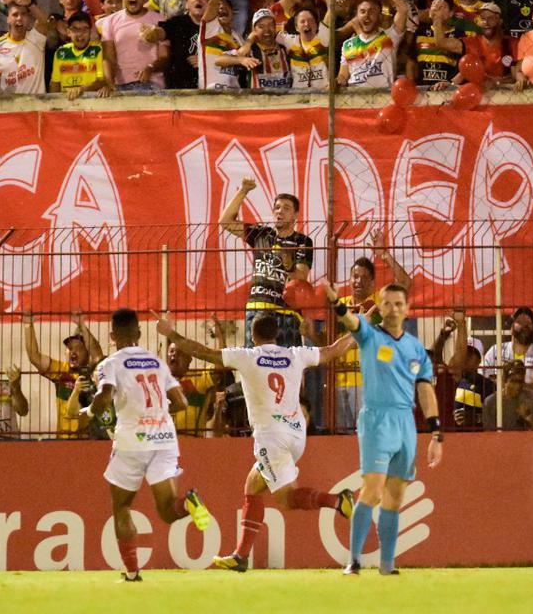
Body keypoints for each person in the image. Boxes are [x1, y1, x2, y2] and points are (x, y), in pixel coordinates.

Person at [156, 311, 355, 572]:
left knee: (286, 498)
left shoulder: (248, 357)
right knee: (252, 486)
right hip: (297, 434)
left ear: (252, 334)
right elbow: (332, 350)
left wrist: (170, 333)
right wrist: (358, 330)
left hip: (271, 438)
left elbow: (204, 352)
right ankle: (240, 556)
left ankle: (337, 501)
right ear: (277, 334)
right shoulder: (294, 354)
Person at [85, 308, 211, 582]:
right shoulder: (157, 362)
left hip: (132, 442)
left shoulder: (110, 364)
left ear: (112, 336)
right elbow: (181, 402)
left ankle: (132, 573)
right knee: (168, 510)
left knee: (121, 507)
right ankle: (189, 503)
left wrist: (90, 411)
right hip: (164, 439)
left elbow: (104, 396)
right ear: (139, 333)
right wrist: (156, 414)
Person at [324, 282, 442, 575]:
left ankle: (387, 566)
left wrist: (436, 433)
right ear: (380, 306)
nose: (393, 309)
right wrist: (337, 303)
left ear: (407, 309)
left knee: (395, 496)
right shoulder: (369, 335)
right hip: (377, 419)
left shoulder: (416, 348)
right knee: (373, 490)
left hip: (405, 422)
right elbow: (351, 321)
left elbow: (425, 390)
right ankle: (353, 560)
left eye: (398, 304)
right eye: (387, 303)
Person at [219, 176, 314, 348]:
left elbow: (301, 276)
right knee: (255, 360)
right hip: (257, 309)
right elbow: (225, 221)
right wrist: (243, 191)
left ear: (295, 215)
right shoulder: (261, 234)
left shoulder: (302, 241)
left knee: (287, 361)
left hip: (285, 312)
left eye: (286, 208)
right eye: (277, 208)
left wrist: (288, 264)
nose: (280, 211)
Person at [334, 234, 413, 429]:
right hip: (339, 381)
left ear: (372, 282)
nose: (358, 281)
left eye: (364, 277)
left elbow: (405, 283)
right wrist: (311, 333)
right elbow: (327, 342)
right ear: (349, 279)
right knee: (342, 437)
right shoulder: (340, 305)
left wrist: (384, 254)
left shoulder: (379, 302)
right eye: (355, 276)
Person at [23, 310, 105, 438]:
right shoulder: (61, 370)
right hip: (64, 440)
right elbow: (34, 357)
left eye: (79, 348)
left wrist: (82, 325)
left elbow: (98, 355)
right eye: (70, 348)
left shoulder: (94, 372)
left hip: (89, 440)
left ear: (87, 352)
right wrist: (28, 325)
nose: (73, 352)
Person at [0, 0, 50, 95]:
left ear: (28, 18)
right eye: (15, 15)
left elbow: (44, 21)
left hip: (35, 102)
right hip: (9, 103)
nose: (19, 18)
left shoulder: (36, 39)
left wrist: (29, 3)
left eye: (23, 14)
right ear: (8, 19)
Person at [52, 12, 106, 97]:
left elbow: (102, 81)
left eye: (85, 30)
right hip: (66, 102)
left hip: (91, 102)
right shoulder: (60, 53)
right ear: (68, 32)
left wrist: (81, 89)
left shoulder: (98, 50)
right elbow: (55, 83)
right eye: (75, 30)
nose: (80, 34)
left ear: (90, 32)